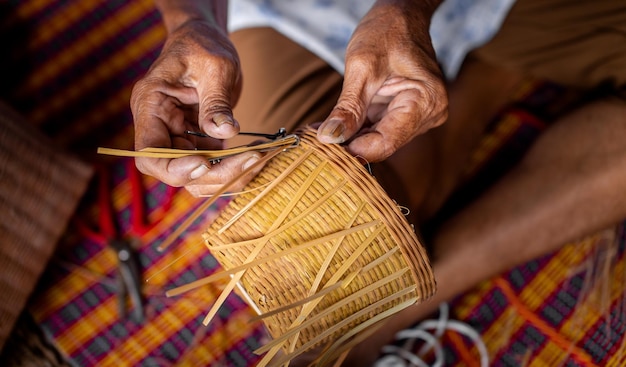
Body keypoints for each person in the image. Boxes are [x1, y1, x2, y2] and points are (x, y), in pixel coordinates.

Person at [130, 0, 626, 365]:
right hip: (304, 15)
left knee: (362, 250)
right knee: (335, 230)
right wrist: (192, 22)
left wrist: (406, 10)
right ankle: (484, 78)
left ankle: (401, 301)